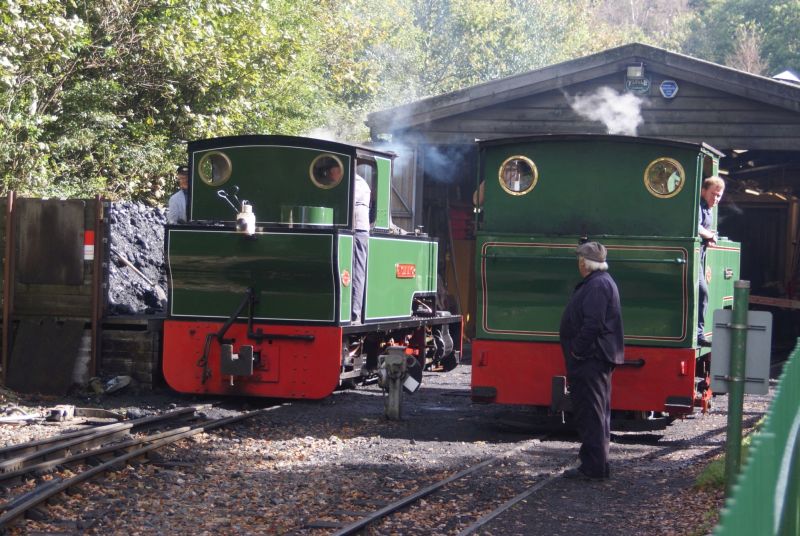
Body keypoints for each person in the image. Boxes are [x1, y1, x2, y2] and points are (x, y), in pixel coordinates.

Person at [559, 241, 625, 481]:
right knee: (595, 412)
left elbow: (593, 323)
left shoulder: (597, 286)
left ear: (583, 263)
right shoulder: (599, 283)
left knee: (592, 413)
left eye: (579, 260)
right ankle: (596, 463)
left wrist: (577, 351)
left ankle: (593, 467)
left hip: (592, 358)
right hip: (594, 357)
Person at [697, 176, 725, 347]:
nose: (716, 198)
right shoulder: (698, 206)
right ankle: (698, 334)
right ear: (703, 191)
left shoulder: (709, 209)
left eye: (719, 196)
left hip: (701, 256)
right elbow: (696, 226)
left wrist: (709, 237)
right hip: (693, 257)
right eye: (713, 194)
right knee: (702, 292)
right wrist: (711, 236)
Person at [351, 170, 371, 324]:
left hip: (357, 229)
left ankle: (354, 313)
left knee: (357, 271)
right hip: (356, 228)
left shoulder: (356, 183)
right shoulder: (359, 181)